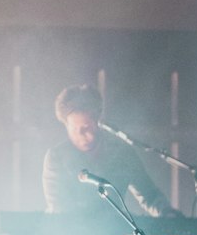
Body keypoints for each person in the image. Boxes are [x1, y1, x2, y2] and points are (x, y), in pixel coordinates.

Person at [42, 82, 180, 218]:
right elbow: (59, 207)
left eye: (85, 127)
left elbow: (149, 194)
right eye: (73, 128)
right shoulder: (56, 158)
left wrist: (167, 214)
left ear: (97, 122)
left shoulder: (122, 153)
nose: (80, 134)